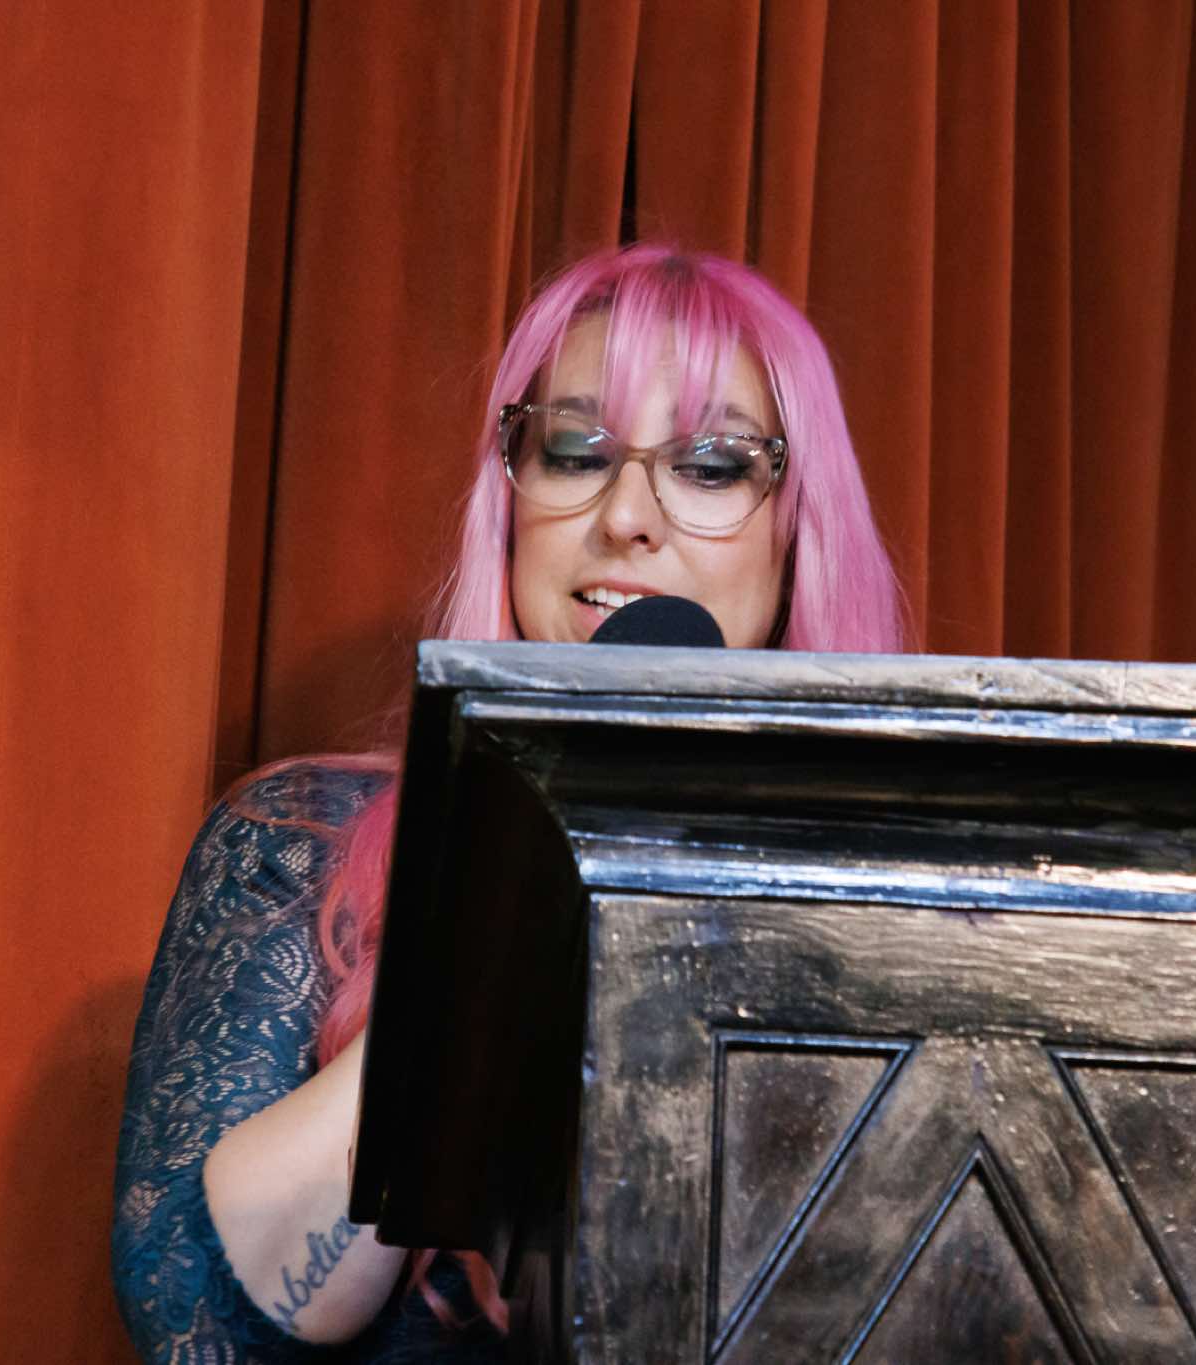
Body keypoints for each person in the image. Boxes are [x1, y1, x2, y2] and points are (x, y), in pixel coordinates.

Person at [111, 243, 909, 1361]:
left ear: (797, 530)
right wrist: (517, 868)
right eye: (575, 451)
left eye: (710, 465)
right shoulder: (297, 847)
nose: (627, 517)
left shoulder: (903, 897)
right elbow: (198, 1318)